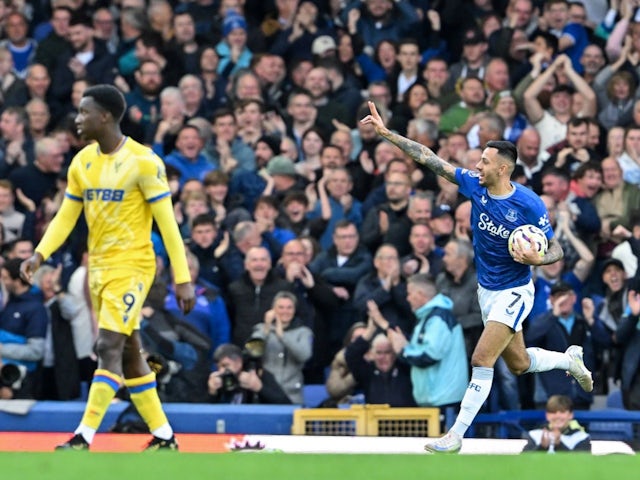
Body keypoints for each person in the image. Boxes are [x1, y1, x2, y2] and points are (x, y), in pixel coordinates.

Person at [361, 102, 593, 454]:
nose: (476, 165)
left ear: (502, 168)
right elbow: (428, 158)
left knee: (481, 359)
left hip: (514, 291)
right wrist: (388, 134)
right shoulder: (475, 186)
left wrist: (539, 257)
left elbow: (557, 248)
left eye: (484, 161)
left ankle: (456, 434)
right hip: (487, 290)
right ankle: (568, 360)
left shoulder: (529, 205)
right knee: (519, 364)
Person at [20, 85, 195, 451]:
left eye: (85, 112)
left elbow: (168, 225)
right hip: (98, 268)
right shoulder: (82, 161)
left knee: (107, 345)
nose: (78, 119)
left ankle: (83, 436)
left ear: (106, 116)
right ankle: (165, 436)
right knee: (130, 352)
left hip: (133, 265)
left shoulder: (144, 162)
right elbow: (67, 215)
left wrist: (183, 279)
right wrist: (39, 255)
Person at [522, 395, 591, 452]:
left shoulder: (581, 437)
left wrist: (559, 445)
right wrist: (542, 447)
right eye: (553, 412)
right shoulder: (535, 435)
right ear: (547, 416)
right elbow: (522, 462)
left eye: (562, 412)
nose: (557, 416)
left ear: (570, 415)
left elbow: (581, 464)